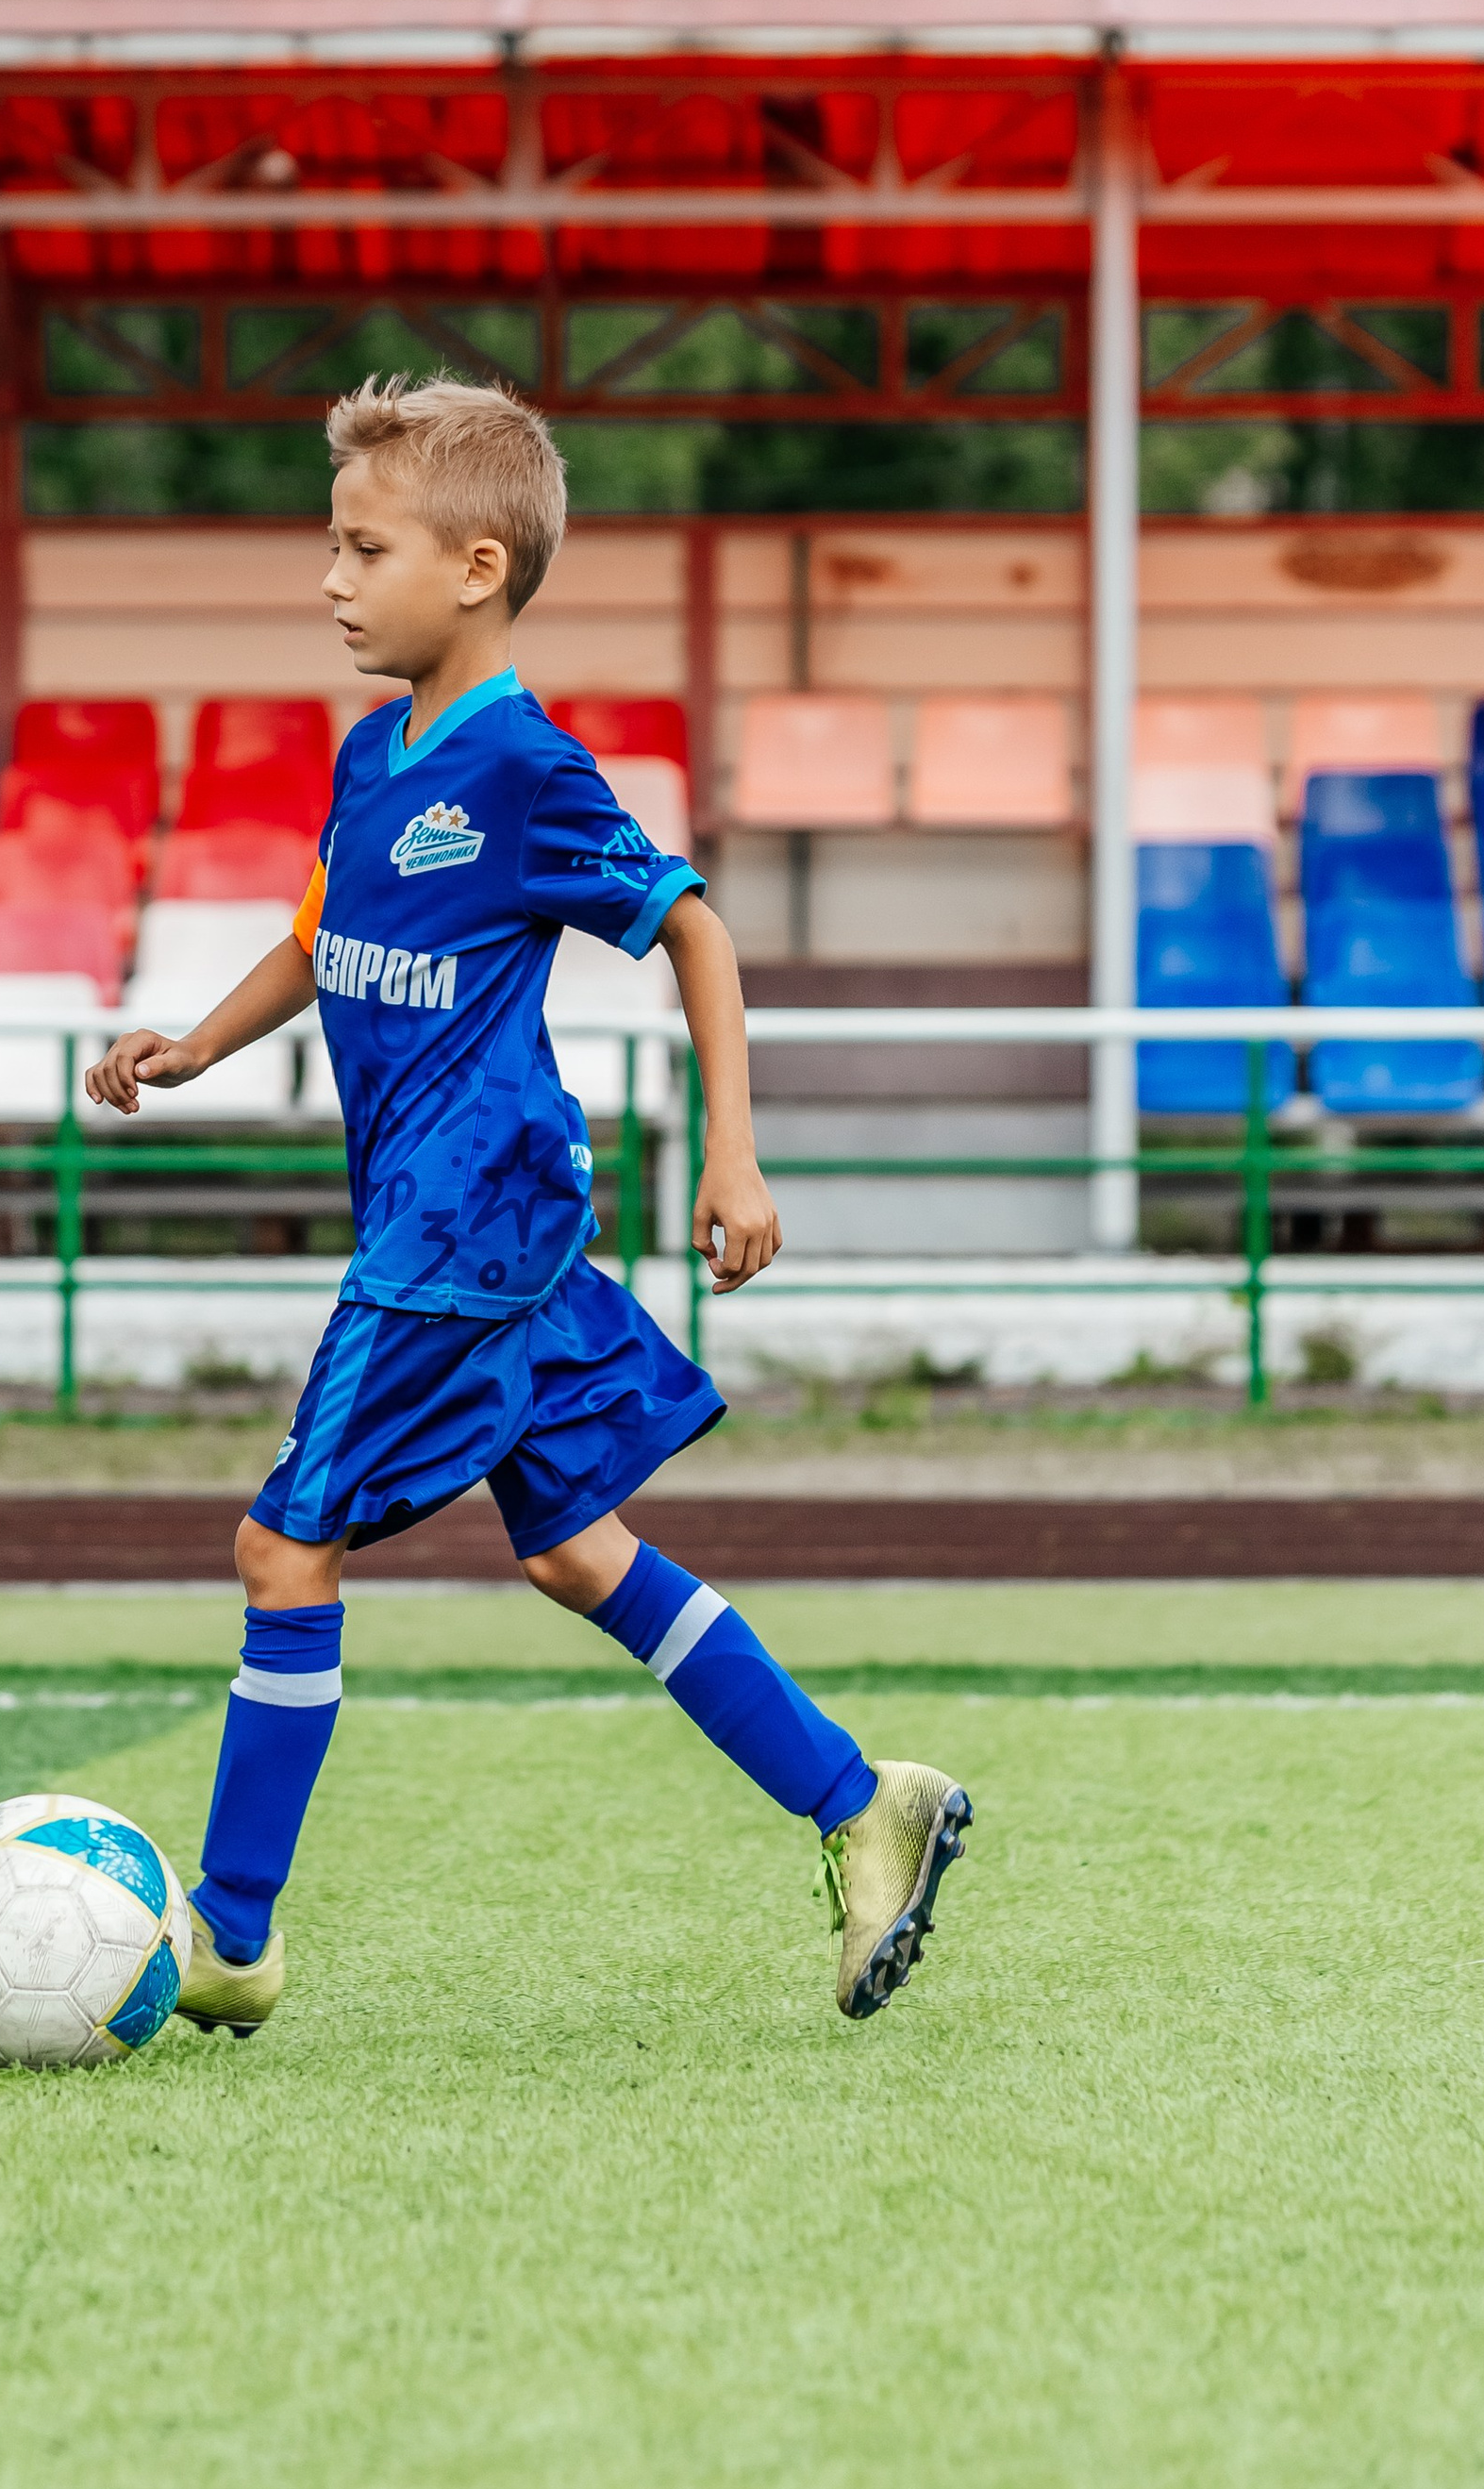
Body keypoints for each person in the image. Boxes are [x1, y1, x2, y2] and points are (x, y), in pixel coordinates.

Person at [89, 378, 973, 2030]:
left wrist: (734, 1153)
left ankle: (231, 1931)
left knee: (284, 1548)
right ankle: (866, 1805)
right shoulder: (372, 754)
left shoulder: (527, 767)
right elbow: (319, 931)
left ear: (477, 567)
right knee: (573, 1552)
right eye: (330, 546)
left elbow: (692, 922)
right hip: (482, 1220)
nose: (332, 580)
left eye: (365, 549)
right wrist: (197, 1042)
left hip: (462, 1225)